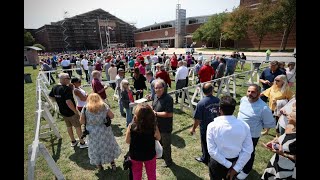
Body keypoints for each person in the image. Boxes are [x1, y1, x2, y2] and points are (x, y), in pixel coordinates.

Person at [206, 95, 253, 180]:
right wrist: (235, 167)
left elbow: (212, 150)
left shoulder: (212, 126)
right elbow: (248, 150)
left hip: (217, 161)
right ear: (234, 109)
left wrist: (229, 165)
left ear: (219, 109)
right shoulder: (244, 126)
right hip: (235, 161)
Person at [236, 84, 276, 179]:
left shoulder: (264, 108)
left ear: (258, 94)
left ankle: (246, 170)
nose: (250, 94)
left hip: (251, 136)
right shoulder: (243, 99)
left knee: (249, 152)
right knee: (239, 150)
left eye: (253, 92)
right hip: (238, 132)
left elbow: (269, 123)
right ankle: (239, 165)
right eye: (249, 91)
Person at [80, 93, 121, 171]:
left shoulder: (85, 108)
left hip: (92, 132)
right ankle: (112, 163)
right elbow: (112, 116)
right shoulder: (104, 106)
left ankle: (99, 166)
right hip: (104, 130)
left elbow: (82, 121)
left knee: (95, 148)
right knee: (108, 146)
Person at [49, 73, 88, 148]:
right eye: (68, 78)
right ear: (64, 79)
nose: (70, 80)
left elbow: (51, 96)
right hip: (70, 112)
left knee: (69, 126)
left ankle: (73, 141)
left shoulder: (55, 87)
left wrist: (59, 101)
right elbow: (68, 102)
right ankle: (82, 143)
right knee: (78, 127)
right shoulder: (66, 89)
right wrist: (75, 111)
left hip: (63, 111)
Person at [125, 103, 161, 180]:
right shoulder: (153, 126)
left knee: (136, 175)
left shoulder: (131, 126)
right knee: (151, 174)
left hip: (135, 156)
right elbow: (158, 138)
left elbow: (127, 141)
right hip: (150, 155)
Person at [190, 83, 220, 165]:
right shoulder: (218, 100)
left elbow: (197, 119)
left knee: (205, 143)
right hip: (217, 126)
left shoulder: (201, 103)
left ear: (203, 91)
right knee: (215, 142)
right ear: (212, 90)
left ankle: (205, 158)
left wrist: (193, 129)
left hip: (205, 128)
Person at [261, 110, 296, 179]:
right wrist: (274, 142)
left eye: (291, 116)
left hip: (288, 169)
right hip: (276, 161)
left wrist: (283, 154)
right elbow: (282, 138)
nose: (287, 116)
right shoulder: (289, 126)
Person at [152, 79, 174, 167]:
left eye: (160, 87)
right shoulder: (155, 96)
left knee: (166, 145)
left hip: (165, 127)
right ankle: (163, 155)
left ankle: (168, 161)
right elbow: (154, 106)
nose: (158, 89)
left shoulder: (168, 98)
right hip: (157, 126)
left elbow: (169, 114)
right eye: (156, 88)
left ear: (164, 88)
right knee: (160, 142)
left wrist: (155, 113)